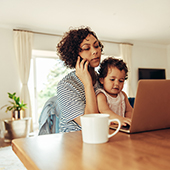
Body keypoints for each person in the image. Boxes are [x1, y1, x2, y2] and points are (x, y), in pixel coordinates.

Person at [56, 26, 104, 133]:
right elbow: (91, 123)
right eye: (87, 48)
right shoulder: (66, 86)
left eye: (96, 46)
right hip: (75, 141)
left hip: (101, 134)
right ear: (75, 55)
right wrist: (87, 83)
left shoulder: (102, 79)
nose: (95, 51)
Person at [96, 57, 133, 126]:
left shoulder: (123, 95)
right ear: (102, 80)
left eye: (121, 81)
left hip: (121, 127)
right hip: (109, 129)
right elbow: (105, 111)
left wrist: (128, 120)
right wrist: (121, 119)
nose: (117, 84)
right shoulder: (101, 95)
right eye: (112, 79)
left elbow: (129, 110)